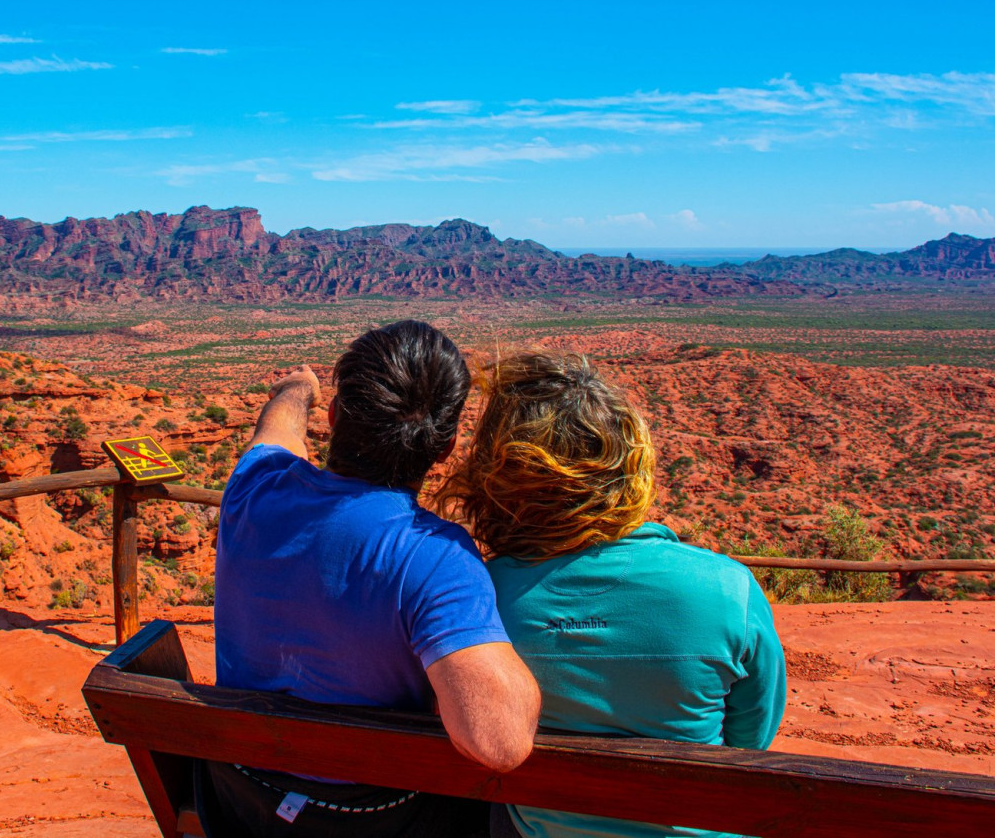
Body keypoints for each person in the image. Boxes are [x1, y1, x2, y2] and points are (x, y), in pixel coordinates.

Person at [209, 320, 541, 837]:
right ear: (446, 446)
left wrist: (297, 390)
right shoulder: (433, 556)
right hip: (373, 817)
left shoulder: (254, 489)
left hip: (241, 799)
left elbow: (276, 430)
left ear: (338, 416)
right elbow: (500, 743)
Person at [437, 351, 787, 838]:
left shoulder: (475, 600)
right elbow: (748, 745)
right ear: (630, 462)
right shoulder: (727, 589)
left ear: (500, 479)